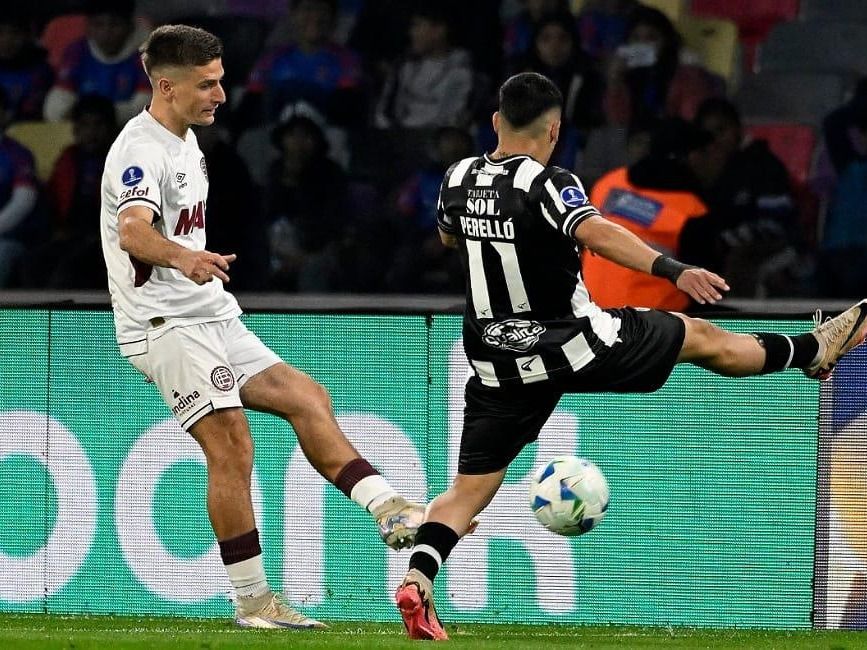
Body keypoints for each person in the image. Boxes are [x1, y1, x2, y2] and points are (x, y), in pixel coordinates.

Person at [393, 72, 867, 641]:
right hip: (573, 343)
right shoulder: (549, 182)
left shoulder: (459, 177)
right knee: (699, 337)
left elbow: (450, 237)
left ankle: (418, 581)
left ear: (495, 122)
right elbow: (595, 233)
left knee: (467, 491)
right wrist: (674, 269)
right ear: (555, 129)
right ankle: (816, 350)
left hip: (495, 360)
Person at [99, 24, 423, 630]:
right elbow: (134, 232)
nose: (221, 95)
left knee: (306, 396)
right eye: (208, 84)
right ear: (166, 87)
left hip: (206, 310)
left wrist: (191, 265)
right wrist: (184, 257)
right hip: (164, 322)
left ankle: (391, 509)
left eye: (220, 81)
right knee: (232, 447)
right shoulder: (139, 149)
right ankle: (254, 603)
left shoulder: (187, 141)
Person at [43, 0, 150, 124]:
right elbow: (56, 107)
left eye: (115, 25)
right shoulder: (77, 52)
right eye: (98, 25)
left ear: (130, 25)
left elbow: (147, 109)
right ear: (88, 26)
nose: (106, 32)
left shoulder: (150, 53)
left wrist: (96, 116)